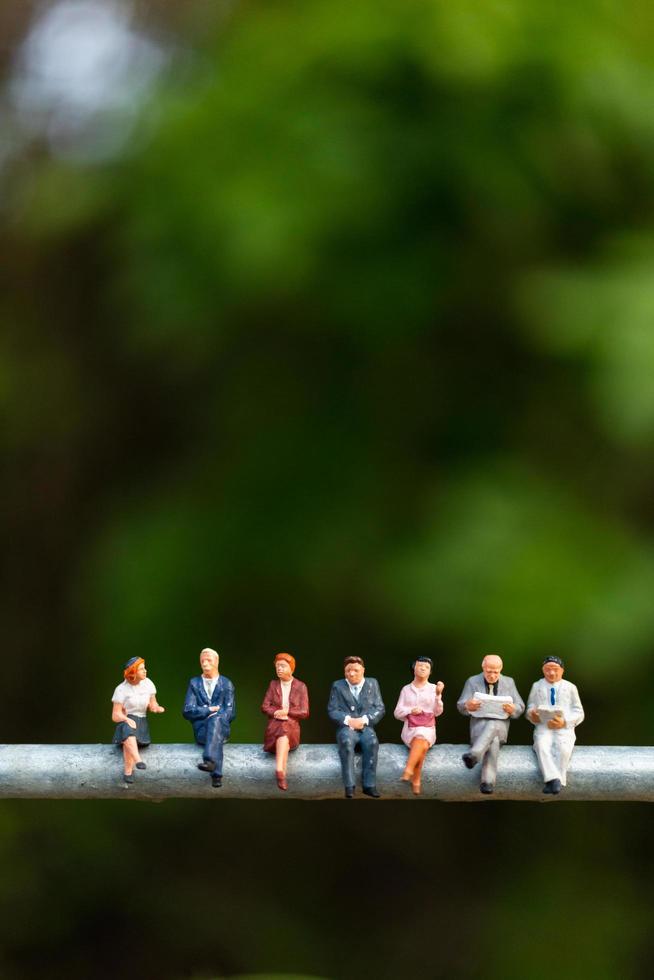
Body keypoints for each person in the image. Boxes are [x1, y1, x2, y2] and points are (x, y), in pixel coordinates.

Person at [457, 654, 524, 794]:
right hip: (479, 727)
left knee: (494, 724)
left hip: (501, 726)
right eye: (489, 672)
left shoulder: (509, 682)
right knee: (492, 741)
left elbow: (520, 706)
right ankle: (487, 782)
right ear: (483, 668)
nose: (492, 675)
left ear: (501, 669)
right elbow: (461, 705)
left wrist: (513, 709)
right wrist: (468, 705)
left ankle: (474, 754)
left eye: (496, 672)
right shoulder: (472, 681)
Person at [327, 656, 385, 799]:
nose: (351, 674)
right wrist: (348, 720)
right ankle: (349, 786)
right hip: (347, 728)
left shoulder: (372, 684)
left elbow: (380, 708)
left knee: (371, 742)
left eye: (355, 670)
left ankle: (369, 785)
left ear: (363, 670)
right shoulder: (338, 686)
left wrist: (365, 720)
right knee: (346, 743)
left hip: (365, 727)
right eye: (348, 671)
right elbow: (332, 710)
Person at [527, 656, 584, 795]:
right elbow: (530, 706)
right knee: (542, 746)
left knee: (563, 748)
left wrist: (565, 722)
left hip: (563, 728)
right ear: (543, 670)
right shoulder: (537, 686)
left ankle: (556, 780)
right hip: (544, 726)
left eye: (555, 670)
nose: (551, 673)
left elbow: (579, 712)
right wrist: (532, 714)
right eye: (548, 670)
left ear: (562, 671)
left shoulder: (570, 687)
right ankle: (554, 780)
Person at [183, 648, 236, 788]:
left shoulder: (226, 684)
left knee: (216, 720)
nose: (205, 664)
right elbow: (187, 711)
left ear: (216, 662)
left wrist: (217, 716)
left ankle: (209, 760)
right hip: (202, 732)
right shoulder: (194, 683)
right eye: (202, 661)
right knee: (213, 722)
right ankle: (216, 775)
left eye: (209, 660)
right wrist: (208, 711)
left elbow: (231, 712)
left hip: (221, 729)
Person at [393, 656, 444, 795]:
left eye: (426, 667)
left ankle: (409, 769)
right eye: (420, 666)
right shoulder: (406, 689)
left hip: (428, 727)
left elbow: (438, 712)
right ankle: (415, 778)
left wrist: (438, 696)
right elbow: (397, 713)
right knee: (421, 743)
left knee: (421, 739)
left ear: (430, 672)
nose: (423, 668)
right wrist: (410, 710)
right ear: (414, 668)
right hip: (410, 727)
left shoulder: (434, 688)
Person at [111, 657, 165, 785]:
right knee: (127, 730)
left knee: (128, 740)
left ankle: (128, 771)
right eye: (141, 669)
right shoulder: (121, 689)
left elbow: (152, 703)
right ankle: (138, 760)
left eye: (144, 668)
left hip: (141, 720)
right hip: (127, 718)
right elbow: (115, 715)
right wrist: (126, 719)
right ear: (132, 672)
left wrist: (156, 708)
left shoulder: (148, 684)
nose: (145, 671)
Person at [260, 652, 310, 791]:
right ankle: (281, 771)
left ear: (291, 668)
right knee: (281, 727)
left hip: (291, 725)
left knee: (285, 729)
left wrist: (287, 712)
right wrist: (276, 712)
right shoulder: (273, 684)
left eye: (282, 666)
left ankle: (280, 769)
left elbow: (305, 712)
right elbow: (265, 707)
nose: (279, 669)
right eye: (277, 666)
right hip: (274, 724)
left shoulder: (301, 686)